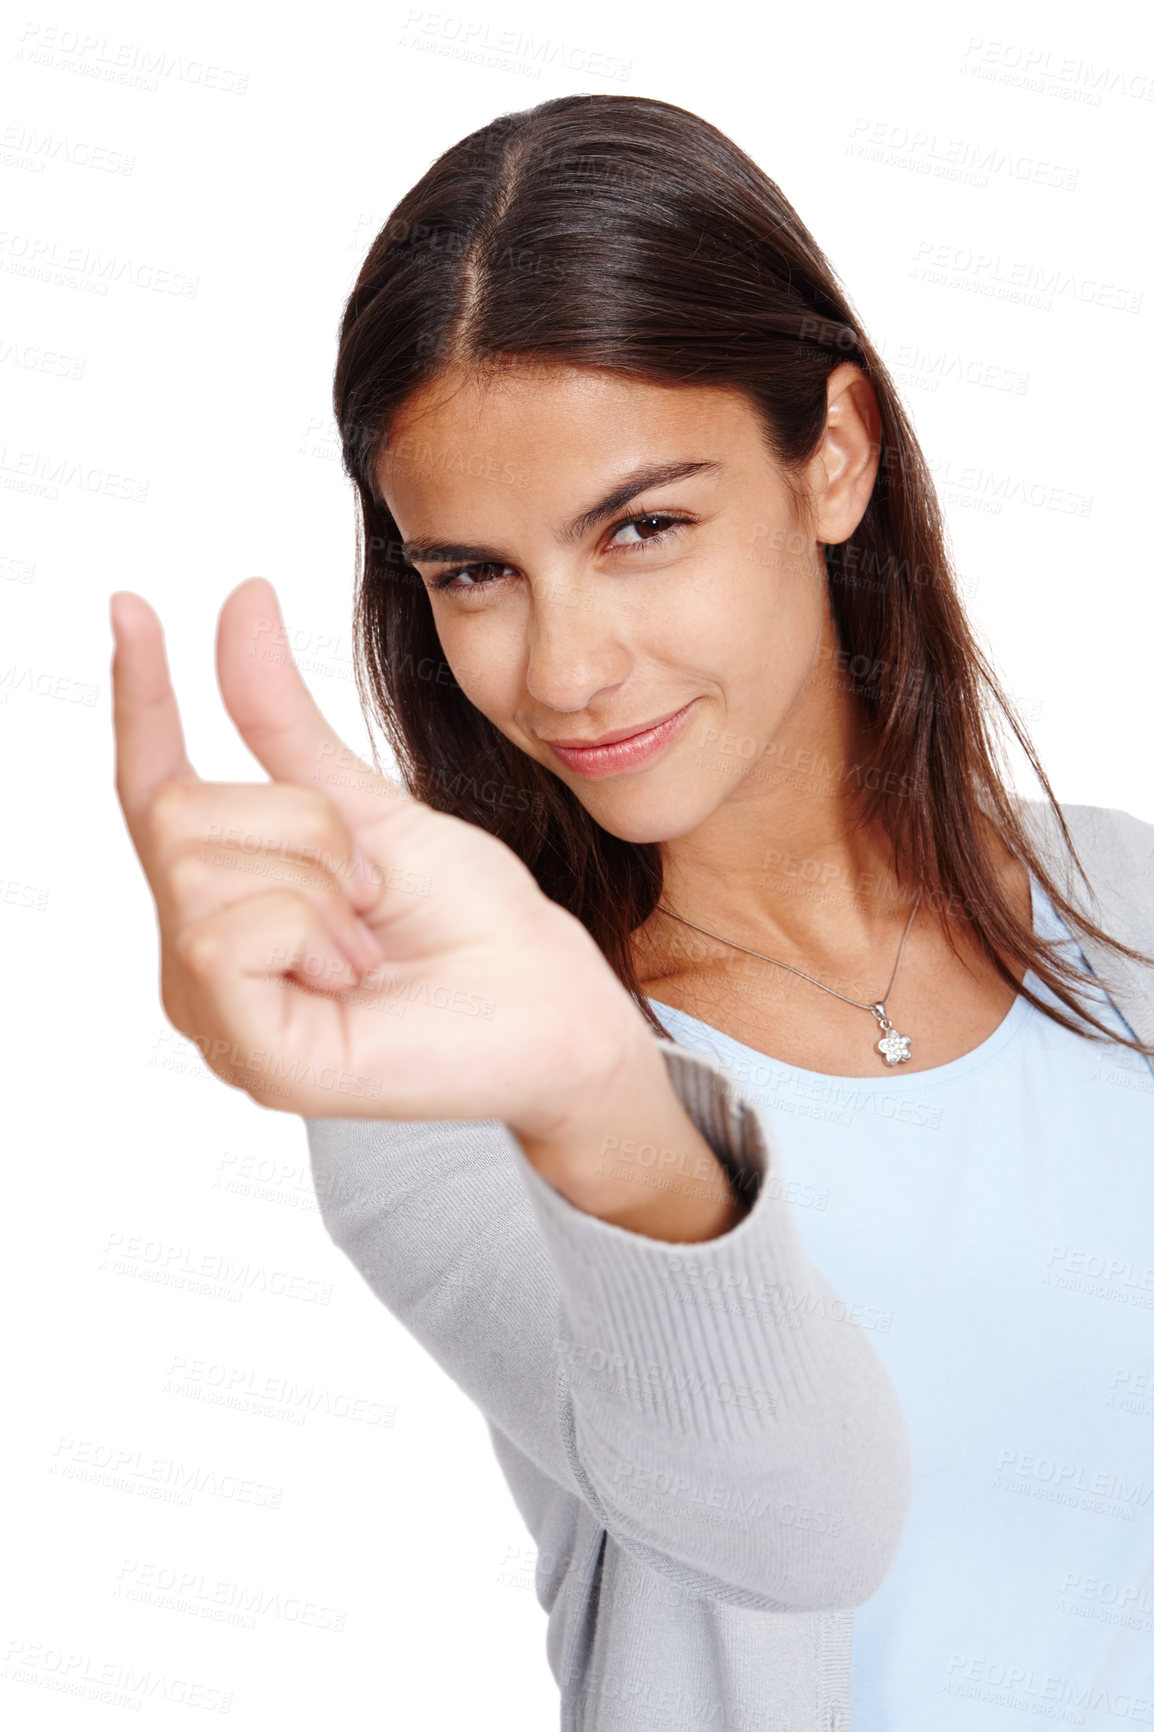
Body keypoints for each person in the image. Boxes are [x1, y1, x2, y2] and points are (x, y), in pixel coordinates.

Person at [110, 94, 1154, 1732]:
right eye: (474, 573)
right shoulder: (456, 1085)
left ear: (834, 455)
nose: (566, 667)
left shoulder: (1124, 901)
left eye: (643, 528)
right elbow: (801, 1531)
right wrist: (606, 1099)